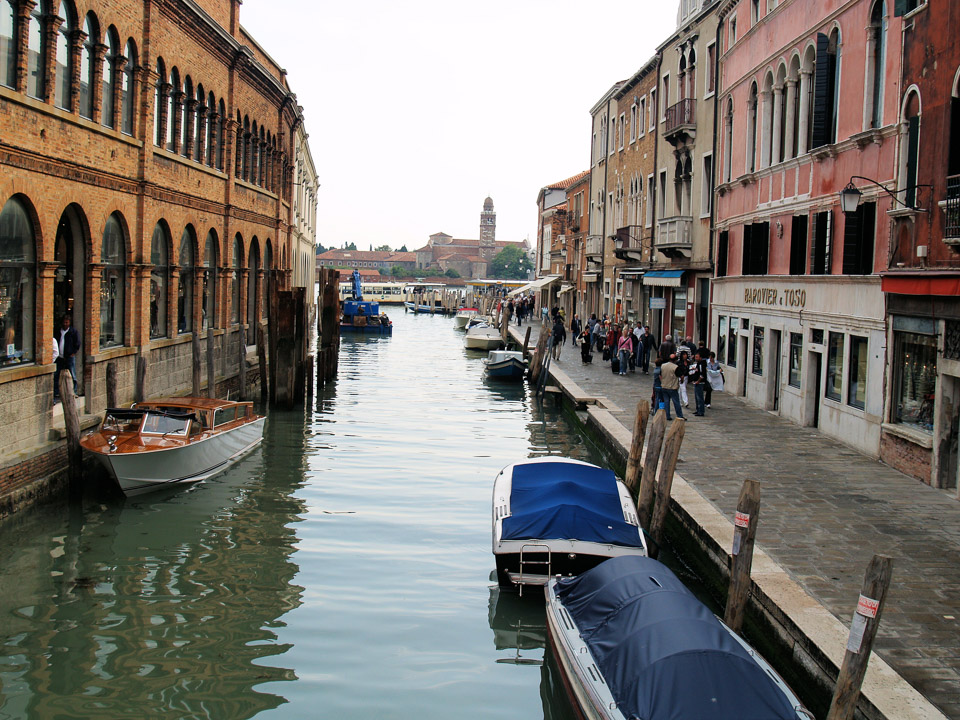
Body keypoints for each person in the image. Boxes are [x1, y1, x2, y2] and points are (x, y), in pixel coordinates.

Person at [53, 313, 81, 401]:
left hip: (69, 356)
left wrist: (73, 352)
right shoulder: (58, 331)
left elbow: (77, 343)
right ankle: (56, 391)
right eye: (64, 322)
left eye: (67, 322)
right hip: (59, 356)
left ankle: (74, 391)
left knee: (72, 374)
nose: (65, 324)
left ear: (69, 323)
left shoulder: (73, 332)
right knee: (57, 373)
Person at [660, 354, 684, 420]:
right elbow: (681, 376)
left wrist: (662, 381)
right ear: (675, 360)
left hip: (664, 386)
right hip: (672, 387)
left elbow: (660, 375)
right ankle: (679, 415)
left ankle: (667, 415)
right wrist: (681, 381)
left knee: (666, 402)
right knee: (676, 402)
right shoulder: (675, 367)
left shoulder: (663, 365)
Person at [691, 349, 708, 416]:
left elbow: (702, 374)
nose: (696, 358)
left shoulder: (701, 364)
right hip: (696, 382)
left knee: (699, 397)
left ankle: (701, 411)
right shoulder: (698, 364)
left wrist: (698, 381)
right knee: (697, 397)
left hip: (700, 383)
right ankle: (698, 410)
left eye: (697, 357)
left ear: (700, 357)